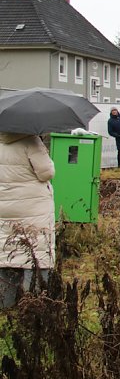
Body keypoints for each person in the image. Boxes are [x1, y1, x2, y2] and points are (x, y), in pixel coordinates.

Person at [0, 132, 55, 307]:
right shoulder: (31, 141)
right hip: (33, 206)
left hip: (4, 205)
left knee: (7, 253)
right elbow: (46, 173)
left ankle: (5, 306)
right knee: (36, 251)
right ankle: (34, 305)